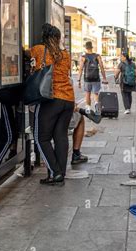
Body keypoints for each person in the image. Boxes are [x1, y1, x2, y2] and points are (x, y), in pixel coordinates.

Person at [30, 23, 75, 186]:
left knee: (41, 137)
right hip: (68, 99)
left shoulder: (39, 50)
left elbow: (29, 61)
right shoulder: (66, 55)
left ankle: (55, 173)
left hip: (51, 99)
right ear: (58, 38)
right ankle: (60, 173)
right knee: (61, 136)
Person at [78, 41, 108, 111]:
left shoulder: (83, 57)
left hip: (87, 79)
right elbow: (101, 67)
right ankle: (97, 107)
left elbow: (80, 69)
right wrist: (104, 78)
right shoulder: (97, 56)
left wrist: (78, 80)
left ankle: (88, 109)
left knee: (87, 93)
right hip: (96, 78)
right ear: (92, 47)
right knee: (96, 94)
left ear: (86, 48)